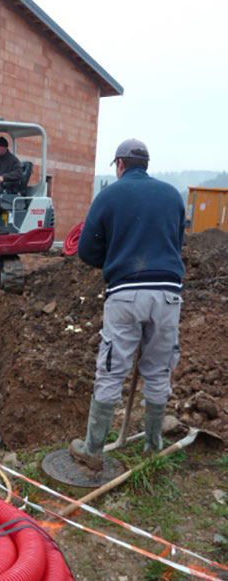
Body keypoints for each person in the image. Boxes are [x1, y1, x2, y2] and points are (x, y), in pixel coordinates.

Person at [69, 138, 186, 471]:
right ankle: (152, 445)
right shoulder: (172, 196)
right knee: (159, 369)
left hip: (125, 294)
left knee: (111, 370)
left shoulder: (108, 196)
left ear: (119, 164)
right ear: (145, 164)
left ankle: (92, 449)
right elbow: (176, 243)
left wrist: (116, 256)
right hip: (167, 294)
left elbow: (86, 251)